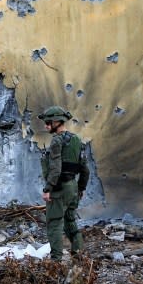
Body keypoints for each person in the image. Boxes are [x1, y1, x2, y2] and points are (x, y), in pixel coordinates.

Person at [38, 105, 90, 261]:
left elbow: (55, 168)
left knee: (54, 224)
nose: (46, 126)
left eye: (48, 123)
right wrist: (81, 188)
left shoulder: (56, 141)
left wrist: (48, 188)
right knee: (70, 221)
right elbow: (85, 169)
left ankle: (55, 262)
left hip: (59, 188)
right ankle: (79, 257)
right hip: (73, 187)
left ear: (57, 122)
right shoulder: (76, 140)